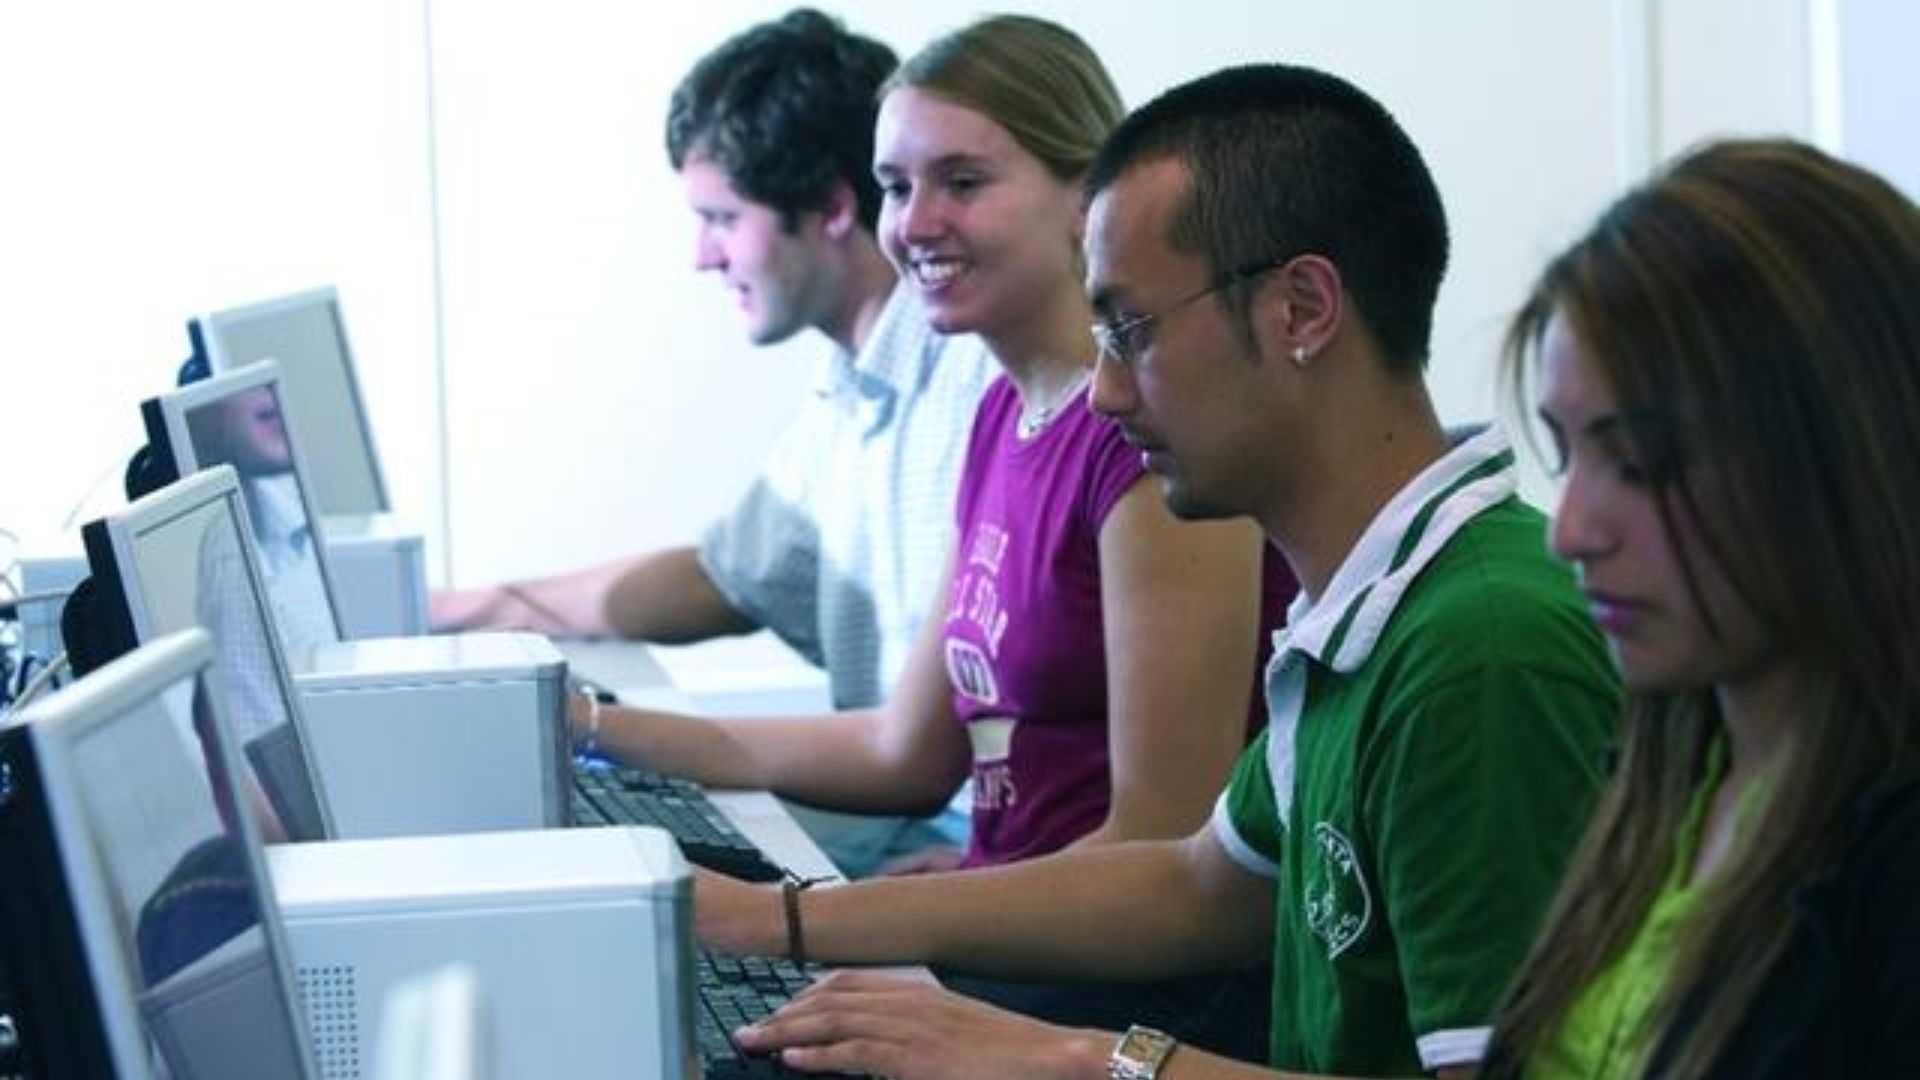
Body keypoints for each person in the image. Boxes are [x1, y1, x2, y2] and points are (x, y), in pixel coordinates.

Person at [703, 62, 1622, 1079]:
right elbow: (1199, 886)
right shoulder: (1365, 604)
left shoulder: (1480, 649)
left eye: (1127, 331)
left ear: (1301, 310)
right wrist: (786, 920)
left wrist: (1082, 1060)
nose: (1100, 391)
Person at [588, 15, 1288, 874]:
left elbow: (1161, 852)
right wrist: (589, 729)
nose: (915, 223)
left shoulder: (1143, 441)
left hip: (1109, 976)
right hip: (1025, 925)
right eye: (894, 186)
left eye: (961, 182)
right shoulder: (1002, 415)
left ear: (1085, 197)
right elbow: (902, 752)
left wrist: (856, 918)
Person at [428, 9, 995, 875]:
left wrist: (587, 723)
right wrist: (476, 607)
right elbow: (724, 578)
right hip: (913, 823)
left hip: (956, 841)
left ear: (832, 208)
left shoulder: (972, 379)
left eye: (723, 218)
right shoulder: (854, 382)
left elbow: (911, 759)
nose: (702, 255)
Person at [1480, 140, 1920, 1079]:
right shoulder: (1665, 776)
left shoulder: (1892, 862)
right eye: (1568, 456)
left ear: (1839, 450)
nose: (1573, 532)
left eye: (1640, 462)